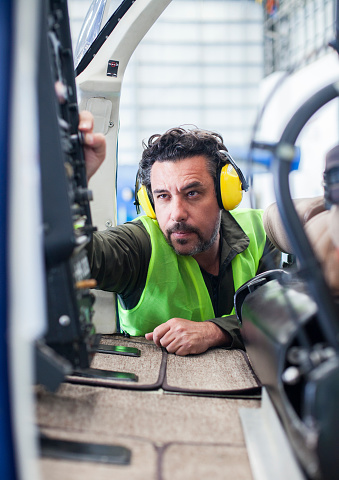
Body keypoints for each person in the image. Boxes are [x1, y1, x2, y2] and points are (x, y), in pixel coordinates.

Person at [81, 115, 281, 356]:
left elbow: (280, 313)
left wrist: (215, 331)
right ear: (149, 203)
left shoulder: (263, 230)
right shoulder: (139, 244)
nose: (176, 214)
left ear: (224, 194)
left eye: (192, 193)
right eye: (163, 196)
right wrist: (71, 178)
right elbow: (75, 255)